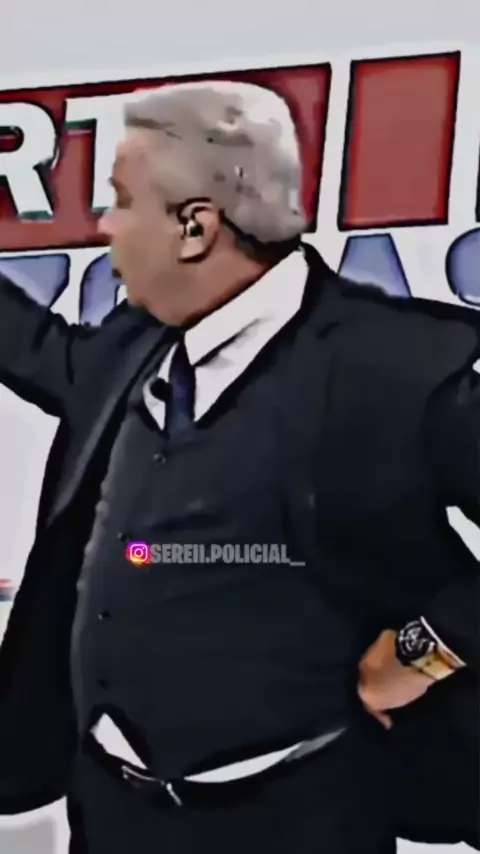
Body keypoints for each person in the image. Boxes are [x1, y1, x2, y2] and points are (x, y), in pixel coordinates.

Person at [0, 80, 477, 854]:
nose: (104, 228)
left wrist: (429, 647)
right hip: (113, 811)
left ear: (195, 227)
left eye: (122, 202)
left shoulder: (398, 365)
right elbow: (45, 355)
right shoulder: (135, 341)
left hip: (303, 819)